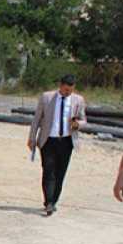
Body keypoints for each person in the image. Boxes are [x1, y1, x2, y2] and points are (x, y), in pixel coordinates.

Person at [27, 74, 88, 216]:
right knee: (48, 170)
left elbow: (84, 119)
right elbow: (37, 119)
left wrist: (78, 124)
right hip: (48, 140)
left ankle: (54, 201)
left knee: (60, 173)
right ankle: (48, 202)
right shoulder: (46, 97)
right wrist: (32, 138)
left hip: (66, 141)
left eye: (71, 90)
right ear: (60, 86)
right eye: (66, 90)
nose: (68, 93)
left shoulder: (78, 100)